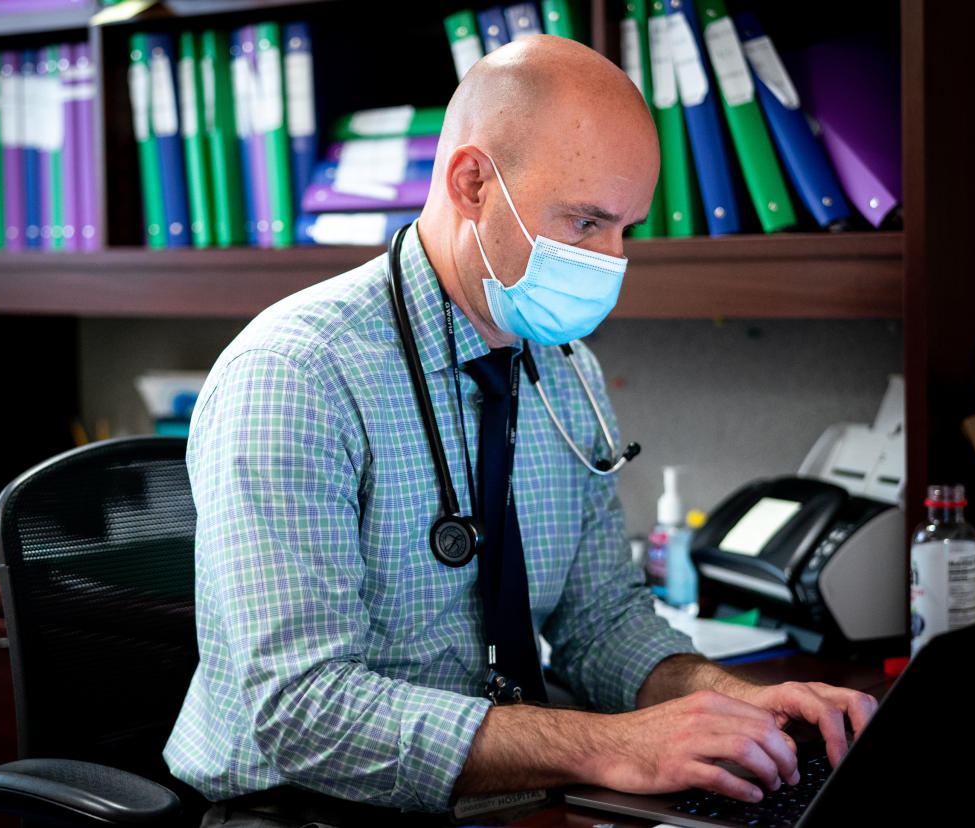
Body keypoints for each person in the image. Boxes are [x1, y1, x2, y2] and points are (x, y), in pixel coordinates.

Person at [165, 34, 877, 823]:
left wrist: (739, 706)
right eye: (585, 223)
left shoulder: (565, 367)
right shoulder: (297, 373)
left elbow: (601, 624)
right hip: (304, 809)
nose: (611, 263)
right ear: (472, 183)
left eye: (625, 230)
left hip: (505, 802)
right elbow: (306, 713)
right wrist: (612, 746)